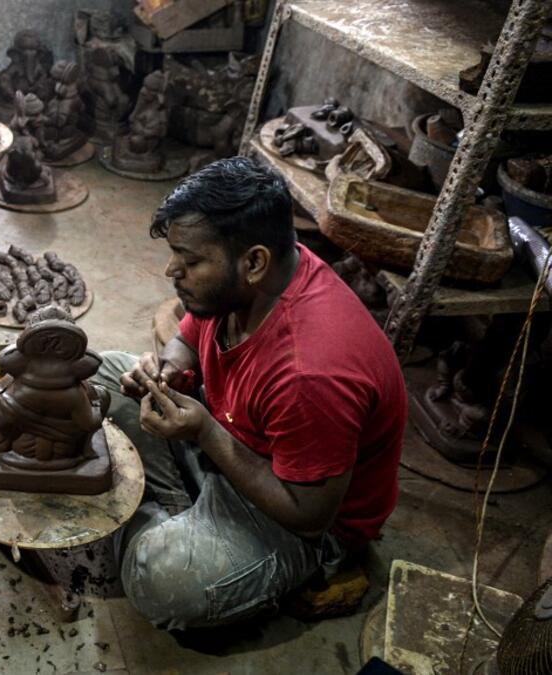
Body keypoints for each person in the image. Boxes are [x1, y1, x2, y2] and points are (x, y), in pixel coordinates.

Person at [94, 158, 406, 629]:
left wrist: (202, 430)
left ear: (254, 261)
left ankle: (172, 525)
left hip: (295, 518)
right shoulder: (248, 281)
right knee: (96, 377)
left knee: (159, 581)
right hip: (231, 440)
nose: (170, 270)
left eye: (191, 260)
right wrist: (170, 369)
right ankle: (182, 513)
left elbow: (309, 516)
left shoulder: (310, 373)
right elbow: (188, 337)